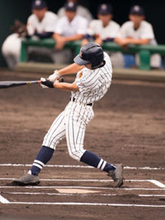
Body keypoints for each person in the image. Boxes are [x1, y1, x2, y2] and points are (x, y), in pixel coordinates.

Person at [7, 42, 124, 188]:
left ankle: (112, 169)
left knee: (75, 151)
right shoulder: (103, 57)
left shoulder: (93, 79)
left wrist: (52, 85)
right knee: (50, 139)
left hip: (80, 110)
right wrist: (58, 74)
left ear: (93, 63)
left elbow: (73, 87)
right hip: (73, 106)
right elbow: (79, 66)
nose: (83, 63)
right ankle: (33, 174)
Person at [1, 0, 58, 69]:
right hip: (37, 45)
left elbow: (48, 34)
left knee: (59, 64)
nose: (37, 12)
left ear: (45, 9)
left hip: (53, 48)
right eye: (35, 9)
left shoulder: (52, 17)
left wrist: (33, 33)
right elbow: (29, 35)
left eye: (40, 9)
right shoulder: (31, 18)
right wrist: (24, 33)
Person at [82, 4, 124, 68]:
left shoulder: (115, 26)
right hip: (97, 54)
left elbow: (112, 39)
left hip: (111, 53)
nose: (104, 17)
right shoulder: (94, 23)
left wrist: (99, 41)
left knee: (118, 57)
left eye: (106, 15)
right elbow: (86, 36)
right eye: (102, 14)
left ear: (110, 16)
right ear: (99, 15)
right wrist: (85, 41)